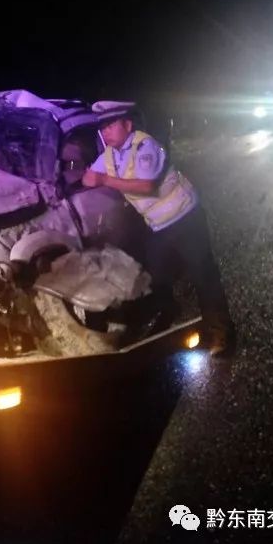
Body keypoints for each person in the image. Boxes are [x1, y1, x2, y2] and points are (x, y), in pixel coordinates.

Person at [81, 100, 236, 355]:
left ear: (127, 124)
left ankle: (221, 335)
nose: (105, 132)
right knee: (154, 278)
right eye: (102, 128)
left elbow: (146, 186)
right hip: (159, 228)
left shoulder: (145, 145)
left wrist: (103, 179)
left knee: (203, 275)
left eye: (110, 125)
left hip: (186, 218)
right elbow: (88, 178)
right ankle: (169, 315)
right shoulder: (108, 156)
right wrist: (85, 177)